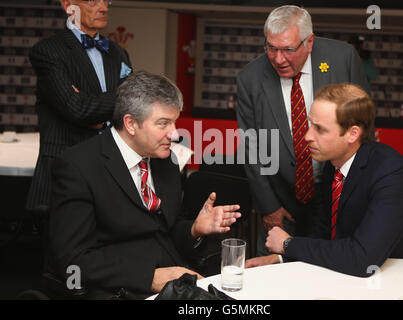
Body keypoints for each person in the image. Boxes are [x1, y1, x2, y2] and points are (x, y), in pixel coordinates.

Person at [48, 71, 241, 299]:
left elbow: (164, 233)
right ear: (130, 123)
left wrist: (194, 229)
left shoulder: (166, 161)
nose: (174, 133)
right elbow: (74, 261)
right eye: (163, 124)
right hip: (118, 289)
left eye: (174, 122)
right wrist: (150, 277)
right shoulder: (79, 167)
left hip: (177, 280)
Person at [245, 83, 403, 277]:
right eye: (310, 124)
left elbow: (362, 259)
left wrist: (289, 245)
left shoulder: (391, 173)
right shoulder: (334, 163)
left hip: (393, 284)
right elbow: (324, 235)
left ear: (352, 134)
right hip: (345, 275)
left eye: (320, 129)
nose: (307, 136)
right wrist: (281, 259)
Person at [236, 5, 370, 256]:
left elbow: (362, 125)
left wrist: (357, 192)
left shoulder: (343, 59)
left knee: (335, 270)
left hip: (338, 192)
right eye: (271, 48)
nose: (278, 58)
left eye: (288, 49)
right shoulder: (250, 78)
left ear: (309, 42)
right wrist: (269, 206)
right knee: (273, 278)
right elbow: (251, 148)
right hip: (281, 199)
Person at [26, 0, 132, 213]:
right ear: (68, 5)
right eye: (94, 0)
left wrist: (90, 104)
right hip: (65, 172)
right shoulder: (48, 51)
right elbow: (77, 109)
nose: (104, 7)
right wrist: (117, 102)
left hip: (110, 172)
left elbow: (132, 105)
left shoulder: (118, 53)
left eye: (106, 0)